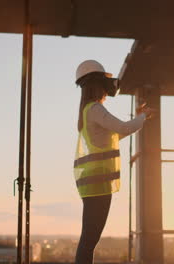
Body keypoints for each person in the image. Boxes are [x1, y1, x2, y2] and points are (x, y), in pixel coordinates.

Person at [73, 60, 153, 264]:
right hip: (98, 183)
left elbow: (116, 135)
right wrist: (143, 116)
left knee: (89, 237)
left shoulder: (87, 111)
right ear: (97, 84)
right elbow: (124, 129)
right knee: (90, 238)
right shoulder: (96, 109)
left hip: (92, 181)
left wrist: (139, 118)